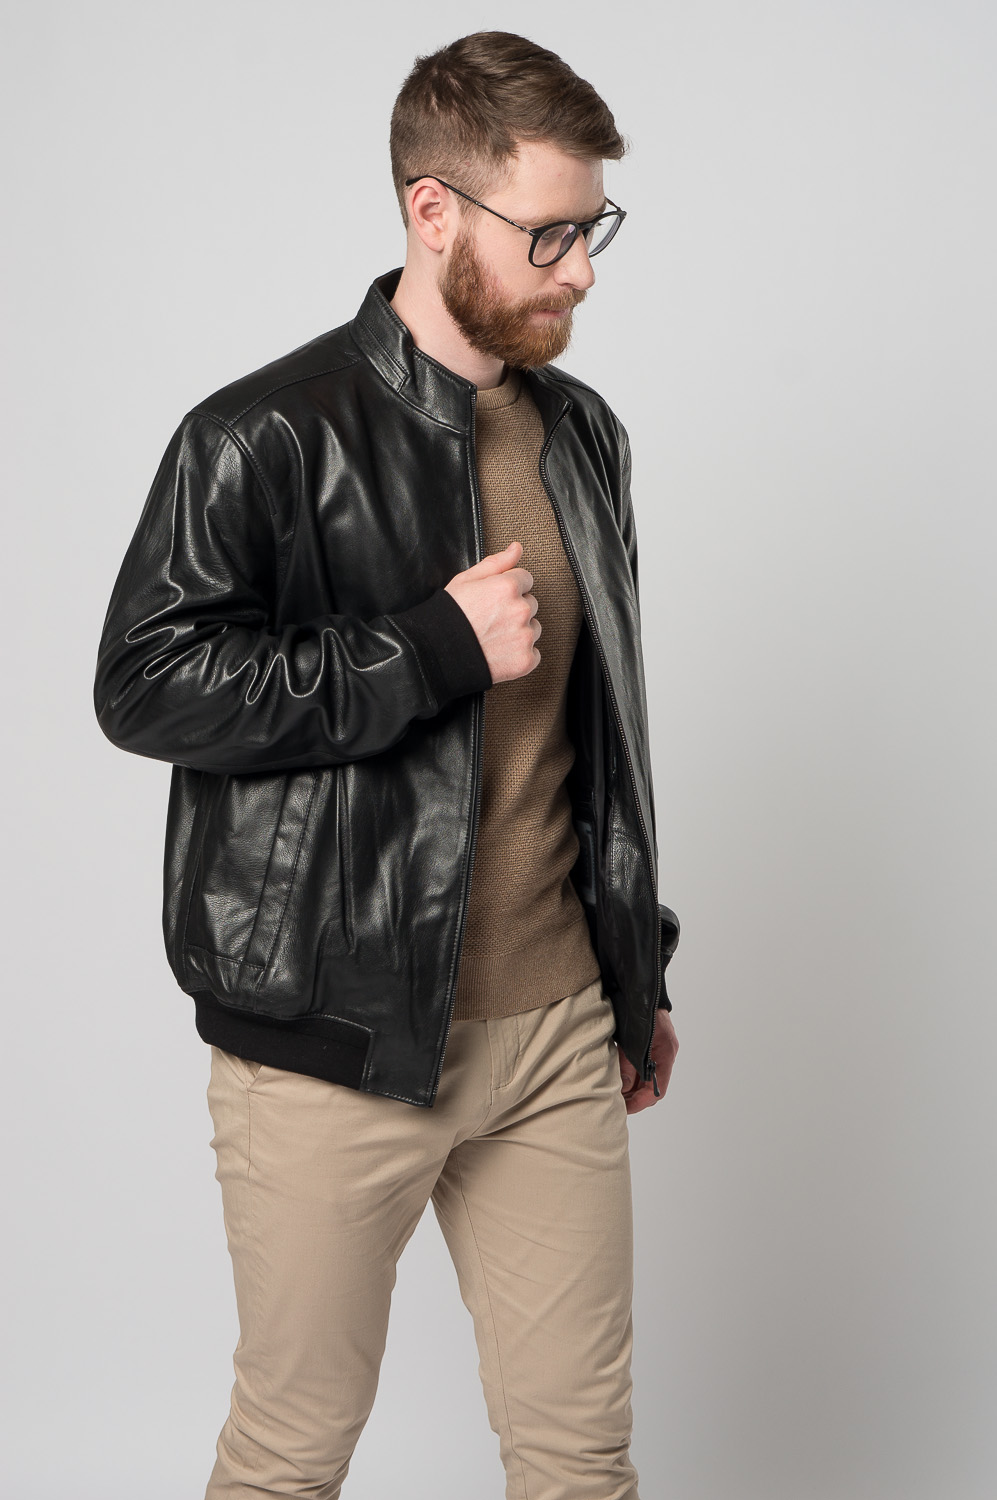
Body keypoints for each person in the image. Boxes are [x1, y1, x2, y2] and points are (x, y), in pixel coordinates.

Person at [94, 28, 680, 1500]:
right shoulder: (260, 436)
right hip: (331, 1041)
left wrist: (635, 961)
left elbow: (599, 736)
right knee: (292, 1452)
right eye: (548, 233)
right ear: (433, 210)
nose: (581, 271)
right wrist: (419, 650)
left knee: (581, 1456)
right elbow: (144, 684)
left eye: (592, 229)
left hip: (554, 1030)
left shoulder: (582, 439)